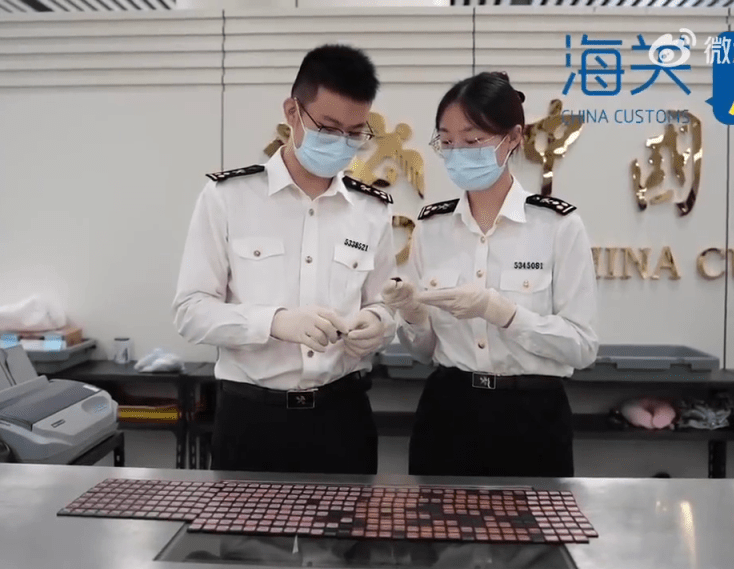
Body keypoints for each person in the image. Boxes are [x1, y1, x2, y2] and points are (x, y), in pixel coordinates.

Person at [172, 44, 397, 475]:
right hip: (252, 419)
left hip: (342, 418)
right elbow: (190, 311)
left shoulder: (371, 210)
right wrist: (273, 322)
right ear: (292, 111)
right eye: (328, 127)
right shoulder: (229, 198)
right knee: (242, 523)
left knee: (350, 522)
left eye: (354, 133)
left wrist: (378, 324)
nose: (341, 143)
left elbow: (384, 304)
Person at [382, 71, 599, 478]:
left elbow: (582, 347)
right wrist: (411, 316)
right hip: (449, 411)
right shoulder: (432, 227)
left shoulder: (556, 225)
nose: (458, 153)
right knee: (438, 519)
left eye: (473, 141)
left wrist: (503, 313)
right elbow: (424, 352)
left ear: (513, 137)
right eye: (447, 142)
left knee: (534, 522)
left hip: (532, 415)